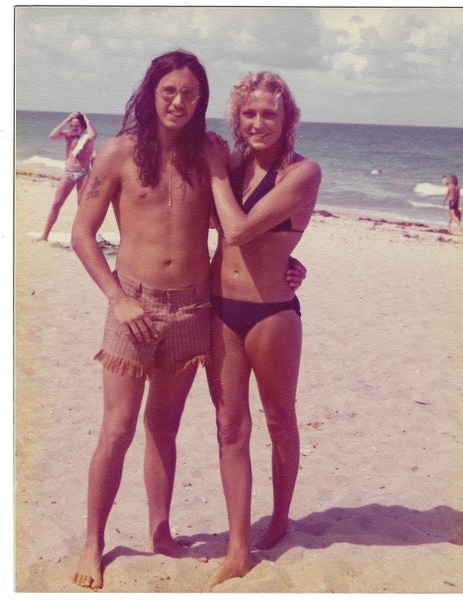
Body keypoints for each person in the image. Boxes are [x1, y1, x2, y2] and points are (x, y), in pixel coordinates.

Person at [69, 51, 305, 590]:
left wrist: (287, 262)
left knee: (164, 427)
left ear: (201, 101)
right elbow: (83, 234)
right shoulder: (118, 153)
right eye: (169, 90)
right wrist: (117, 299)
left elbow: (247, 222)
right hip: (133, 306)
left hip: (195, 309)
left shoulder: (212, 155)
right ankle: (92, 541)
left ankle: (161, 531)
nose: (178, 101)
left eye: (190, 94)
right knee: (117, 428)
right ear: (152, 92)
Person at [204, 71, 322, 587]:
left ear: (287, 118)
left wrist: (212, 171)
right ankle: (237, 547)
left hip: (272, 313)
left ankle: (278, 518)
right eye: (248, 113)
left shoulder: (304, 173)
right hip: (218, 311)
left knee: (278, 419)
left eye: (269, 113)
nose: (257, 122)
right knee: (230, 428)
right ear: (237, 117)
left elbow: (237, 228)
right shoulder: (230, 166)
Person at [36, 112, 97, 241]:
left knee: (82, 205)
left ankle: (82, 237)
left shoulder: (87, 138)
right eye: (72, 125)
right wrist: (67, 119)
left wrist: (86, 119)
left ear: (83, 126)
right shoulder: (68, 135)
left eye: (77, 126)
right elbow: (52, 136)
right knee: (56, 204)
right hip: (69, 173)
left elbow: (93, 135)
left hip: (83, 174)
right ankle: (45, 235)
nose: (73, 128)